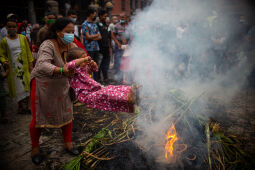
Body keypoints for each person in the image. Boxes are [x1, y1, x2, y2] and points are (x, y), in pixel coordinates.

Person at [29, 18, 78, 165]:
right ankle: (35, 148)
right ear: (58, 32)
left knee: (67, 112)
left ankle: (68, 144)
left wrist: (87, 62)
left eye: (72, 32)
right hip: (42, 85)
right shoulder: (48, 45)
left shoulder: (71, 45)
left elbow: (79, 57)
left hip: (61, 84)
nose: (71, 35)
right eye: (67, 32)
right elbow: (42, 64)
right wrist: (62, 70)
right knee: (39, 116)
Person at [66, 47, 137, 113]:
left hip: (95, 90)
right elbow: (70, 64)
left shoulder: (84, 67)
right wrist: (84, 60)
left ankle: (129, 90)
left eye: (86, 56)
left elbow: (95, 69)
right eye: (83, 57)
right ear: (76, 59)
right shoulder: (73, 70)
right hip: (86, 95)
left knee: (111, 88)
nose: (86, 58)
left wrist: (93, 64)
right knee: (106, 94)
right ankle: (126, 98)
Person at [0, 18, 34, 114]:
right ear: (6, 28)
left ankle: (29, 106)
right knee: (16, 87)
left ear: (16, 27)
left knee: (27, 85)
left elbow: (28, 52)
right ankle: (20, 106)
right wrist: (4, 61)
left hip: (24, 66)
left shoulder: (22, 38)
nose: (12, 28)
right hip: (13, 68)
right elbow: (1, 55)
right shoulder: (4, 41)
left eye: (13, 26)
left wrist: (31, 65)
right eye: (9, 27)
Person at [81, 8, 102, 81]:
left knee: (96, 65)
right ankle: (89, 81)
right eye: (94, 14)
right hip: (89, 48)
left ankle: (96, 81)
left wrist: (91, 37)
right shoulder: (85, 24)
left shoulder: (94, 24)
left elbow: (100, 37)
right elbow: (87, 37)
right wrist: (94, 36)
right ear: (90, 14)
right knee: (89, 66)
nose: (95, 15)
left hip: (96, 48)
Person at [112, 12, 129, 80]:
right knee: (118, 62)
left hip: (127, 47)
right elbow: (112, 35)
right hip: (119, 46)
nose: (121, 19)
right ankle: (117, 78)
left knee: (127, 62)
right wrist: (118, 43)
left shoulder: (129, 25)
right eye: (120, 17)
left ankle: (126, 77)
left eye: (123, 17)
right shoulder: (116, 26)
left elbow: (132, 36)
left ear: (126, 18)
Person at [97, 9, 112, 83]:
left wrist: (110, 47)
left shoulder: (106, 25)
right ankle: (98, 79)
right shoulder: (96, 25)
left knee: (106, 64)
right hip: (99, 48)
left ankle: (106, 78)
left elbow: (108, 37)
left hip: (106, 48)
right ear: (100, 16)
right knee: (99, 64)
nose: (105, 18)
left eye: (106, 16)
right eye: (104, 16)